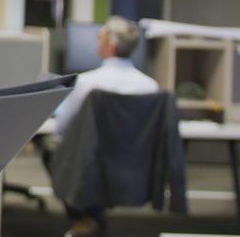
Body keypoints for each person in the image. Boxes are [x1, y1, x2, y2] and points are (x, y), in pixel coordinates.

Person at [48, 16, 158, 237]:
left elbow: (61, 128)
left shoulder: (88, 83)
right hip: (130, 166)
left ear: (112, 45)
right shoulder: (151, 87)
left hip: (90, 166)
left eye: (101, 37)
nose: (98, 41)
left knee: (51, 149)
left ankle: (86, 217)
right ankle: (92, 219)